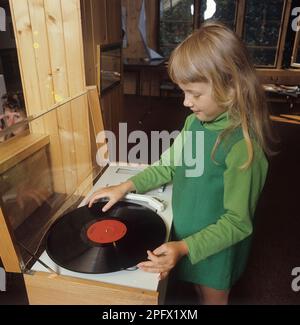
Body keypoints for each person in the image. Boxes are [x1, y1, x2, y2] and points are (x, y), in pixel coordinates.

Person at [87, 22, 272, 305]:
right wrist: (125, 186)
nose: (186, 102)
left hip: (214, 250)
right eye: (184, 92)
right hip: (183, 234)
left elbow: (237, 223)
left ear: (232, 88)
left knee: (210, 298)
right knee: (193, 291)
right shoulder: (193, 122)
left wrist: (185, 247)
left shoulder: (245, 148)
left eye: (195, 94)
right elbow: (168, 166)